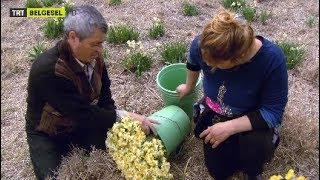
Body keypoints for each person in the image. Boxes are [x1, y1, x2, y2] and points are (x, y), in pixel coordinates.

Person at [25, 5, 158, 180]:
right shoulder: (48, 69)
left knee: (120, 149)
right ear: (73, 37)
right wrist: (124, 116)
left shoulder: (94, 57)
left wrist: (119, 126)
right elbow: (82, 113)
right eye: (95, 44)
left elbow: (105, 98)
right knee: (53, 177)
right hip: (49, 131)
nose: (100, 50)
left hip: (80, 121)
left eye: (101, 43)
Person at [176, 9, 288, 180]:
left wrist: (229, 127)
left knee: (255, 151)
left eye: (215, 65)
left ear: (239, 58)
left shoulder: (271, 60)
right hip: (216, 109)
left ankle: (255, 165)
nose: (207, 64)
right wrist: (188, 86)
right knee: (218, 172)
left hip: (251, 116)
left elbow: (273, 112)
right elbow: (193, 61)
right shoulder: (206, 46)